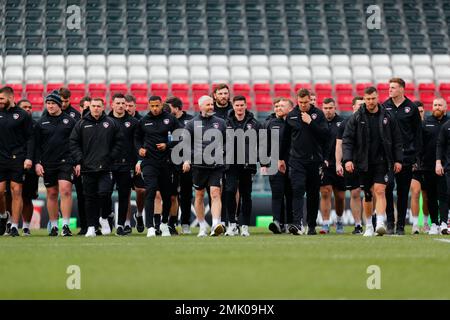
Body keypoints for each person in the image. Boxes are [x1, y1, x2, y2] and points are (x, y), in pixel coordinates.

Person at [343, 87, 403, 237]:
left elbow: (397, 140)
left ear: (377, 98)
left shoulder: (387, 116)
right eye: (368, 99)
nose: (370, 102)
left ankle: (380, 223)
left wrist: (398, 160)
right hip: (363, 162)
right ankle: (369, 226)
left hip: (382, 161)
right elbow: (348, 140)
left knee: (380, 190)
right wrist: (348, 159)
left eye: (373, 98)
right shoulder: (356, 117)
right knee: (368, 195)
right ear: (364, 99)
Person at [70, 98, 124, 237]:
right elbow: (73, 142)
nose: (95, 108)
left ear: (103, 107)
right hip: (88, 168)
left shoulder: (110, 123)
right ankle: (91, 227)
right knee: (89, 198)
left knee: (105, 194)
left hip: (106, 167)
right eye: (93, 106)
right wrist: (80, 159)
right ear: (90, 107)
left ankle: (105, 217)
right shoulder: (81, 124)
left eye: (98, 106)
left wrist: (111, 157)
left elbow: (119, 141)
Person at [279, 89, 329, 235]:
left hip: (314, 160)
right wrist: (281, 158)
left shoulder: (318, 114)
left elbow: (325, 135)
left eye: (306, 102)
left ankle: (312, 225)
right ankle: (297, 223)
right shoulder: (292, 115)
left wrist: (311, 123)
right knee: (298, 189)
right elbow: (286, 139)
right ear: (297, 101)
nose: (303, 105)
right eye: (300, 102)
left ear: (310, 100)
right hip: (296, 161)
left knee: (313, 194)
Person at [134, 96, 180, 237]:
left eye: (157, 106)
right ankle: (150, 227)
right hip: (149, 163)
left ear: (162, 105)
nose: (155, 108)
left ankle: (164, 223)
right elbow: (136, 139)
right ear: (149, 105)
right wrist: (139, 149)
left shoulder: (171, 119)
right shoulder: (143, 121)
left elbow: (180, 137)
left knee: (167, 195)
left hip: (166, 163)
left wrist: (167, 145)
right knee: (151, 191)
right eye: (152, 106)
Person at [182, 96, 227, 237]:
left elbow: (227, 142)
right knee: (199, 195)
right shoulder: (191, 123)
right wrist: (187, 160)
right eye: (208, 104)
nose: (211, 107)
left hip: (216, 166)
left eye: (212, 104)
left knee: (215, 193)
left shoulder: (221, 123)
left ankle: (215, 224)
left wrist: (222, 152)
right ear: (200, 106)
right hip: (198, 166)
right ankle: (202, 226)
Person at [34, 91, 77, 236]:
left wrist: (77, 161)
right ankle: (53, 226)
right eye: (48, 103)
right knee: (52, 193)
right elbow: (36, 145)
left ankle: (65, 226)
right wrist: (37, 163)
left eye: (53, 103)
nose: (50, 106)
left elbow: (76, 142)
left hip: (66, 161)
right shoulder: (41, 122)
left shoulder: (70, 121)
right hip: (48, 162)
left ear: (59, 105)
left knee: (65, 190)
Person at [382, 78, 422, 235]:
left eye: (393, 87)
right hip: (388, 157)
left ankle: (400, 226)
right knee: (388, 188)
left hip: (407, 155)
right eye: (389, 87)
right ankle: (390, 222)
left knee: (403, 191)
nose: (390, 90)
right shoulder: (384, 106)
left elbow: (417, 134)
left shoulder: (411, 108)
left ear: (402, 89)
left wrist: (416, 157)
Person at [223, 96, 261, 237]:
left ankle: (244, 226)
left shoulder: (254, 123)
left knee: (246, 195)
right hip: (231, 163)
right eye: (237, 105)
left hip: (247, 164)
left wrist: (261, 160)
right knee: (230, 191)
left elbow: (262, 143)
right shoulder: (225, 123)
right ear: (233, 106)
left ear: (246, 106)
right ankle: (232, 224)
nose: (239, 108)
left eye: (241, 105)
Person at [0, 86, 34, 237]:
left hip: (17, 157)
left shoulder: (22, 115)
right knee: (0, 192)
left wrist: (28, 157)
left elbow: (30, 138)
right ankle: (2, 216)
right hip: (0, 158)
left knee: (16, 191)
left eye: (1, 99)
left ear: (11, 98)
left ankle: (14, 225)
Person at [108, 93, 139, 236]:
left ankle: (120, 225)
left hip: (126, 165)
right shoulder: (106, 121)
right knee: (104, 193)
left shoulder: (133, 122)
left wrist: (137, 161)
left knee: (124, 195)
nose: (121, 106)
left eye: (123, 103)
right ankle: (106, 216)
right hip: (107, 164)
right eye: (118, 103)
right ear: (112, 104)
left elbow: (137, 144)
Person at [58, 87, 87, 235]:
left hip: (74, 160)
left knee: (81, 194)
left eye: (66, 101)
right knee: (58, 192)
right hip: (57, 160)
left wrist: (78, 161)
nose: (63, 104)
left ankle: (85, 226)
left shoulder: (75, 115)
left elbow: (79, 139)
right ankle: (57, 225)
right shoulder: (48, 114)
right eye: (61, 101)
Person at [263, 98, 294, 234]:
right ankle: (277, 221)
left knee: (291, 194)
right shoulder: (269, 123)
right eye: (276, 106)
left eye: (281, 106)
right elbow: (264, 145)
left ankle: (291, 223)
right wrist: (264, 162)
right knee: (277, 193)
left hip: (293, 163)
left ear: (290, 108)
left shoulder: (295, 122)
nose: (278, 108)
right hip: (274, 163)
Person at [336, 96, 364, 234]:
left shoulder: (372, 121)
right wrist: (338, 163)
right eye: (359, 105)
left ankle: (374, 221)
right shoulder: (345, 123)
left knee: (374, 191)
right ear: (353, 107)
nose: (361, 107)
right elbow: (339, 145)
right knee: (355, 192)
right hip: (351, 162)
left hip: (369, 162)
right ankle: (358, 225)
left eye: (363, 105)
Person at [166, 96, 194, 234]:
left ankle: (185, 223)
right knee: (172, 194)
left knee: (186, 194)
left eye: (169, 108)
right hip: (169, 162)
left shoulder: (190, 120)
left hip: (186, 162)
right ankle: (171, 223)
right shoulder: (166, 121)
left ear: (176, 108)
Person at [319, 98, 346, 234]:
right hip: (324, 164)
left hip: (339, 164)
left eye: (330, 108)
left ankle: (340, 220)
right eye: (325, 108)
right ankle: (325, 223)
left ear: (335, 108)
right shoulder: (318, 122)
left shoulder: (342, 123)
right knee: (325, 192)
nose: (328, 111)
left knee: (340, 196)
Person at [16, 99, 39, 236]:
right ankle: (10, 224)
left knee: (27, 197)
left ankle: (25, 227)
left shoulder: (36, 125)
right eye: (25, 107)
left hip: (30, 166)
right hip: (12, 164)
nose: (28, 109)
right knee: (11, 195)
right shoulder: (11, 124)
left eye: (30, 107)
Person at [124, 94, 146, 232]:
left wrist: (141, 160)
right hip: (123, 162)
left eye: (130, 106)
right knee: (124, 192)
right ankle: (126, 223)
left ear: (135, 106)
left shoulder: (142, 121)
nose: (127, 108)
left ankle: (138, 214)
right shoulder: (115, 120)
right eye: (125, 105)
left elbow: (144, 143)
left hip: (138, 161)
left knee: (141, 190)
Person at [410, 101, 430, 234]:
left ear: (424, 112)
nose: (419, 114)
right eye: (417, 112)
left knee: (427, 195)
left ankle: (427, 223)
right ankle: (416, 224)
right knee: (415, 192)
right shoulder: (409, 128)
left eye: (421, 111)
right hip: (414, 166)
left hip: (428, 165)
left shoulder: (429, 126)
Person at [433, 98, 450, 235]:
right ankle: (444, 222)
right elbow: (440, 145)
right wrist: (438, 163)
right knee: (444, 195)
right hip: (448, 167)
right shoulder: (446, 126)